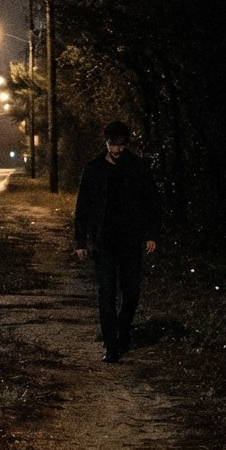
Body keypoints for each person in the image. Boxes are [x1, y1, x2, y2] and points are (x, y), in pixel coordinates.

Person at [73, 120, 162, 362]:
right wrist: (81, 241)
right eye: (113, 145)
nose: (117, 150)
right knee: (107, 294)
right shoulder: (94, 169)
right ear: (106, 142)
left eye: (121, 145)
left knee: (131, 294)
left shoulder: (138, 167)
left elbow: (152, 202)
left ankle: (123, 330)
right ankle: (111, 346)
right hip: (104, 243)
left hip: (131, 242)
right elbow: (82, 207)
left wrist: (152, 234)